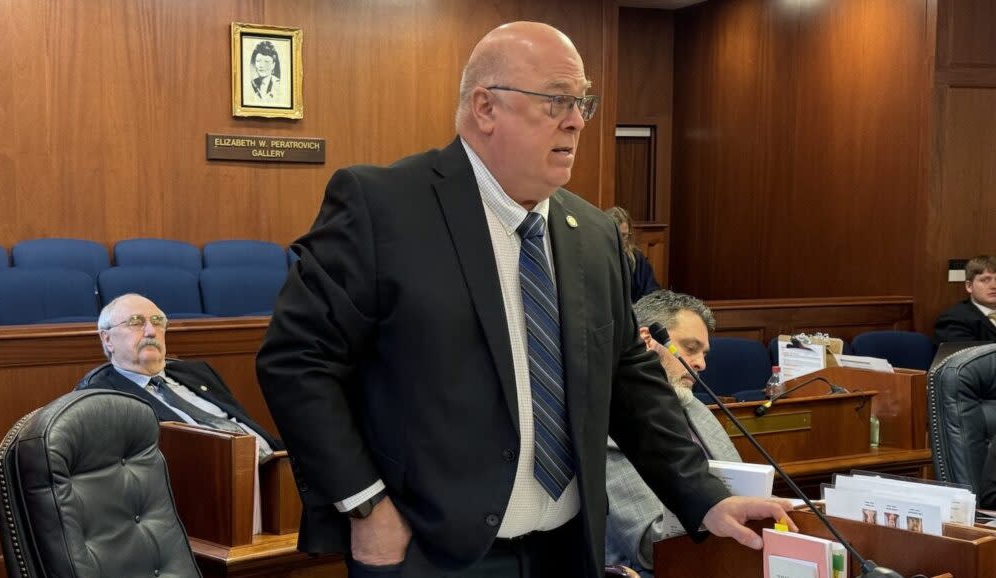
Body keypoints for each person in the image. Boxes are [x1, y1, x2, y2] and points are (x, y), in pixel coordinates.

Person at [257, 21, 791, 578]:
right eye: (556, 100)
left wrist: (704, 498)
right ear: (485, 107)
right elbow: (296, 361)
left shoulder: (593, 232)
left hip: (566, 550)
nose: (577, 120)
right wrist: (364, 504)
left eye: (582, 101)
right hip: (427, 552)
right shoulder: (383, 206)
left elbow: (628, 381)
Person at [605, 290, 742, 577]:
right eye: (690, 348)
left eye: (703, 353)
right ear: (645, 340)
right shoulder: (611, 429)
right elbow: (648, 546)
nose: (701, 364)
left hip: (720, 559)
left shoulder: (698, 409)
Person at [77, 293, 280, 462]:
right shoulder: (100, 397)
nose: (151, 332)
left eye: (158, 322)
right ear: (107, 339)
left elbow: (243, 422)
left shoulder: (198, 372)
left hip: (276, 465)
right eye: (136, 322)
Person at [935, 255, 996, 343]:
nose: (994, 286)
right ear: (969, 286)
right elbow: (967, 356)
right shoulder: (954, 320)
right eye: (985, 280)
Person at [606, 206, 659, 302]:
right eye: (617, 235)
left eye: (624, 235)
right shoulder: (596, 257)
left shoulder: (636, 258)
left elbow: (652, 292)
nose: (621, 241)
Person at [247, 40, 284, 104]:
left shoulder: (279, 85)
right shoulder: (252, 84)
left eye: (266, 61)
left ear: (273, 65)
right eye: (258, 61)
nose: (261, 66)